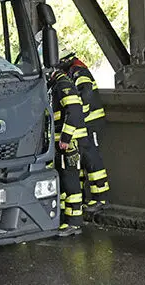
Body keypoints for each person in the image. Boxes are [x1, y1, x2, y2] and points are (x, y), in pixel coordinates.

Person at [59, 52, 110, 212]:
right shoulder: (73, 71)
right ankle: (82, 197)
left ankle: (100, 198)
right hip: (86, 124)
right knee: (82, 160)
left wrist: (79, 114)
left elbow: (86, 93)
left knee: (92, 158)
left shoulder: (78, 72)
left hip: (91, 123)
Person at [49, 69, 86, 236]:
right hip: (61, 143)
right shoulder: (56, 86)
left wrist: (65, 138)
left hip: (69, 143)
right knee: (64, 180)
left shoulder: (63, 85)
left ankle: (74, 223)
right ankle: (65, 218)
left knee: (70, 180)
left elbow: (75, 111)